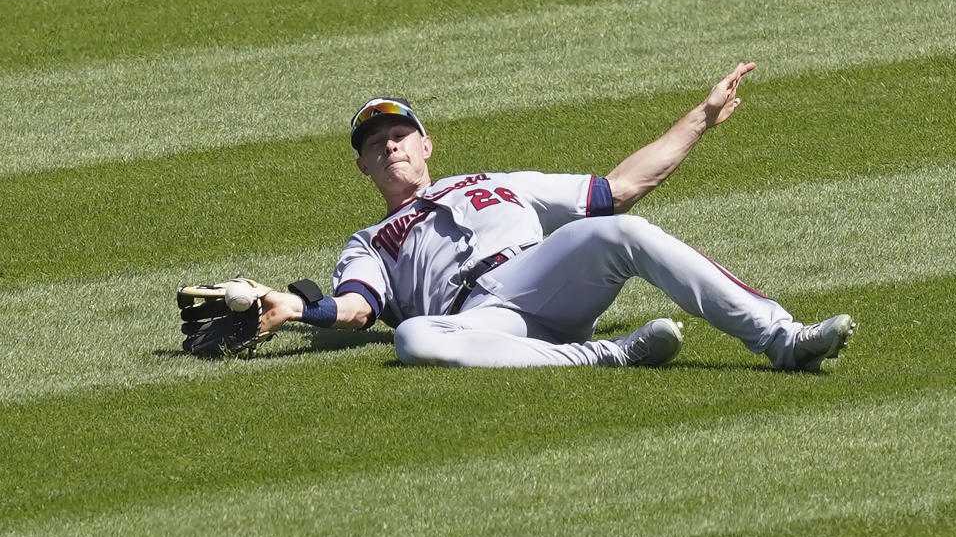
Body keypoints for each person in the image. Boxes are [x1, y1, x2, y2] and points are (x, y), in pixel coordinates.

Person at [259, 62, 855, 369]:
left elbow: (619, 187)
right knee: (415, 338)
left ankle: (784, 338)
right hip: (482, 321)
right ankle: (610, 354)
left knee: (617, 230)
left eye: (400, 134)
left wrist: (700, 117)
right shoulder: (369, 241)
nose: (390, 146)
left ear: (426, 144)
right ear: (363, 167)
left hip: (539, 277)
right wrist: (298, 309)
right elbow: (359, 307)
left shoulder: (496, 184)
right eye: (374, 143)